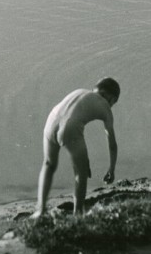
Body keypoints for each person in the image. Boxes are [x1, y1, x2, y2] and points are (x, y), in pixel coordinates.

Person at [32, 77, 120, 218]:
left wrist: (84, 159)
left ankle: (40, 210)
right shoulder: (105, 106)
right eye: (113, 102)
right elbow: (112, 144)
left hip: (51, 120)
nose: (111, 106)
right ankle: (78, 214)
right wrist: (112, 169)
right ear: (109, 97)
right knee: (81, 174)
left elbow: (74, 112)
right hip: (70, 126)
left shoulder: (80, 91)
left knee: (48, 164)